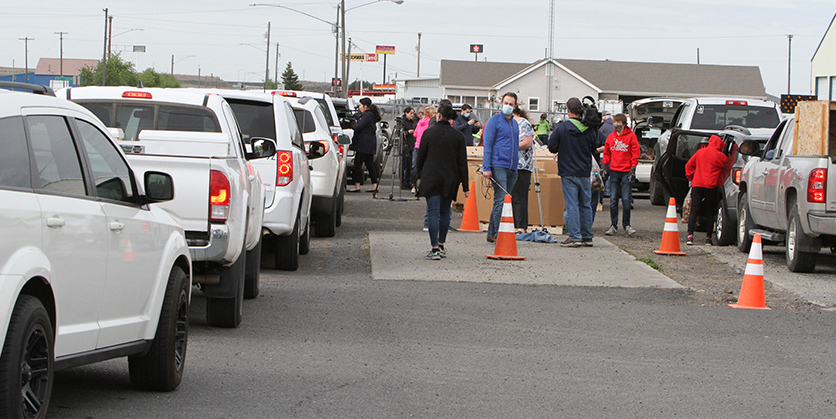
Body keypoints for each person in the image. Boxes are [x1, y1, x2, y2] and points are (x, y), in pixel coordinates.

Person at [416, 102, 470, 260]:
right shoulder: (458, 136)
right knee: (445, 211)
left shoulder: (428, 133)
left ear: (438, 115)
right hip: (450, 178)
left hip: (431, 176)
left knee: (433, 212)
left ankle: (434, 249)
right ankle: (441, 244)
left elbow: (420, 159)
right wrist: (465, 186)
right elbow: (462, 163)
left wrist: (418, 177)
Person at [548, 97, 599, 247]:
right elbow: (593, 148)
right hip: (584, 171)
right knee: (585, 204)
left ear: (568, 110)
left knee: (571, 204)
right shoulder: (589, 129)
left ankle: (574, 236)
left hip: (568, 171)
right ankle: (587, 235)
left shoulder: (562, 128)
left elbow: (552, 147)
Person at [482, 92, 520, 243]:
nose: (508, 106)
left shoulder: (515, 124)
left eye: (511, 104)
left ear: (515, 106)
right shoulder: (494, 121)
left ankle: (492, 233)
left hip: (512, 167)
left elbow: (516, 145)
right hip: (498, 165)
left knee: (506, 200)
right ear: (501, 103)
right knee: (501, 199)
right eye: (506, 103)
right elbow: (488, 145)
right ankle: (497, 233)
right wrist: (487, 167)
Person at [601, 113, 640, 236]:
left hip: (626, 171)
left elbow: (635, 153)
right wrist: (604, 165)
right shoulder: (611, 137)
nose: (616, 125)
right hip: (614, 171)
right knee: (613, 200)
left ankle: (626, 225)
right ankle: (613, 225)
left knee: (626, 200)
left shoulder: (631, 137)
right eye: (614, 122)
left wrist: (633, 168)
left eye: (618, 123)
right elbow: (607, 153)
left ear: (623, 124)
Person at [685, 134, 727, 245]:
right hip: (711, 186)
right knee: (709, 212)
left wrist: (691, 177)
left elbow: (688, 165)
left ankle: (690, 236)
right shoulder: (720, 156)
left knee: (694, 210)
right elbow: (727, 168)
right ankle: (708, 238)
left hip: (697, 184)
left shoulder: (700, 152)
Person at [347, 97, 381, 193]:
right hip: (369, 143)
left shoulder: (367, 116)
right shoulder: (369, 115)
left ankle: (357, 185)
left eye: (360, 105)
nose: (359, 107)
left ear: (365, 106)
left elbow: (358, 127)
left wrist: (352, 124)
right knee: (369, 164)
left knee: (358, 164)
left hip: (364, 144)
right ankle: (374, 185)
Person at [511, 107, 535, 234]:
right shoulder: (504, 123)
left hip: (522, 165)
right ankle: (511, 223)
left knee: (519, 197)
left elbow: (528, 142)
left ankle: (520, 226)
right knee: (510, 196)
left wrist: (510, 147)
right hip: (507, 165)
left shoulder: (523, 123)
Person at [412, 106, 436, 195]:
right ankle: (423, 185)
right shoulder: (431, 123)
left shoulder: (420, 122)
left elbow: (415, 134)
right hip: (426, 146)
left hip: (417, 145)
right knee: (425, 166)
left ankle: (413, 185)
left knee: (415, 166)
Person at [400, 107, 417, 189]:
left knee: (410, 165)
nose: (412, 115)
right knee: (404, 165)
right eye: (411, 113)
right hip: (405, 145)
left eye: (413, 113)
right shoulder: (403, 122)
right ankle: (403, 182)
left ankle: (408, 181)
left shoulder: (413, 122)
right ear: (406, 113)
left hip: (411, 145)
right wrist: (407, 132)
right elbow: (399, 133)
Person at [598, 111, 614, 198]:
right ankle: (610, 192)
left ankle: (603, 195)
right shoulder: (616, 127)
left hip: (605, 155)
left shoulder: (603, 127)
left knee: (603, 175)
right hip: (617, 156)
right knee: (613, 177)